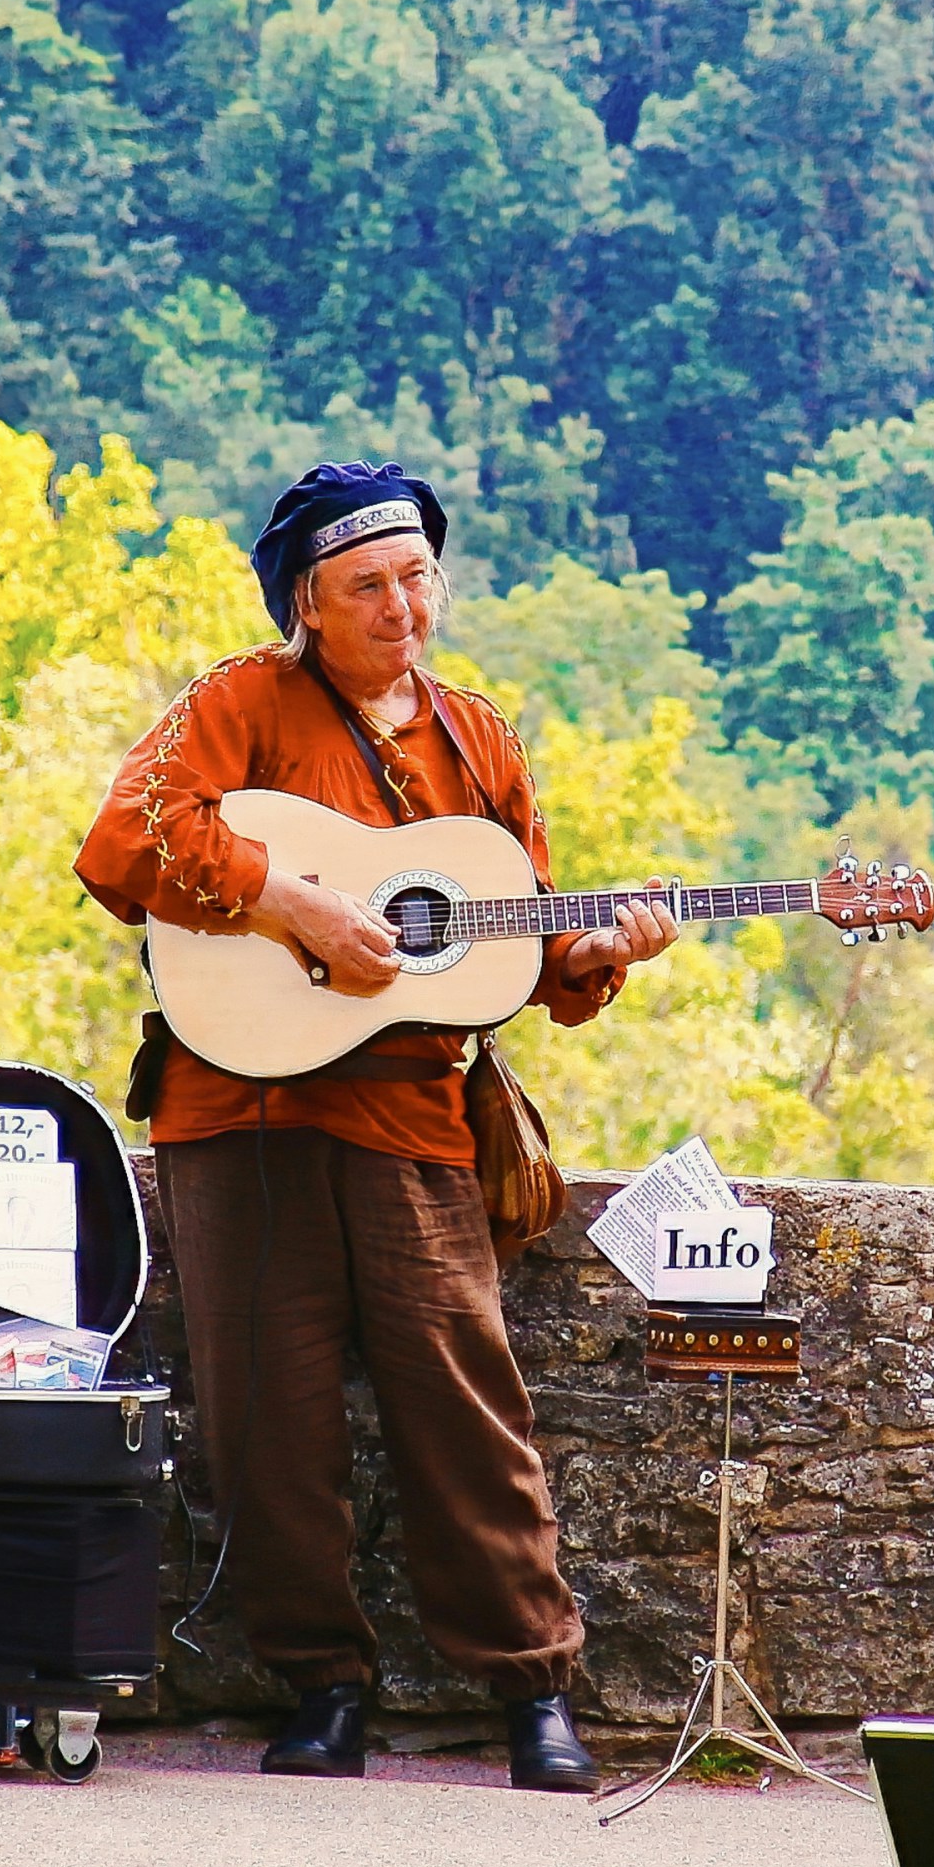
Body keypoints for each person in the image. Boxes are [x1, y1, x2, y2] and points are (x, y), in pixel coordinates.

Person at [73, 463, 678, 1791]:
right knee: (263, 1408)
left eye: (416, 577)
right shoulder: (242, 703)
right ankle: (322, 1684)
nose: (402, 605)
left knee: (462, 1394)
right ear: (308, 603)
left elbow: (520, 950)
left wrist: (598, 951)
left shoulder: (482, 741)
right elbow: (125, 842)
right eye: (367, 586)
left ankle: (529, 1686)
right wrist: (287, 901)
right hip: (238, 1111)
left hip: (413, 1113)